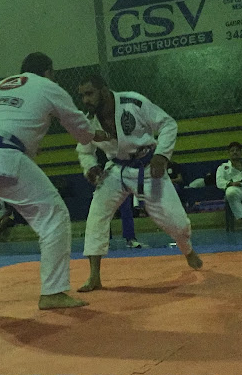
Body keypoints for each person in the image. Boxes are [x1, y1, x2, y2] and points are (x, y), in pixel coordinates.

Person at [0, 52, 110, 310]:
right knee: (54, 215)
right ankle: (53, 292)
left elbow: (10, 119)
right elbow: (78, 126)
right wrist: (95, 135)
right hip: (2, 154)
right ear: (48, 72)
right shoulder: (47, 86)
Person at [75, 74, 203, 293]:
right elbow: (84, 150)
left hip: (147, 166)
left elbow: (168, 124)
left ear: (104, 90)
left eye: (89, 93)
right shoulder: (87, 121)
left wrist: (161, 155)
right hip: (116, 169)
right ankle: (94, 275)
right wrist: (91, 167)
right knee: (96, 216)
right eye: (82, 96)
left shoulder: (133, 102)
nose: (85, 100)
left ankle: (188, 250)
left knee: (177, 223)